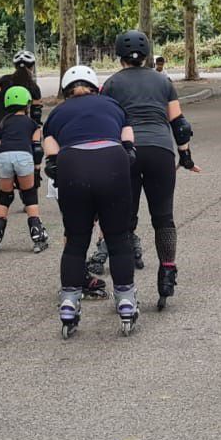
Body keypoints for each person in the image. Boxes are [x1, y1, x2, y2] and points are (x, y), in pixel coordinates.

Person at [101, 30, 201, 310]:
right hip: (160, 151)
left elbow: (107, 122)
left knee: (124, 219)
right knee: (163, 217)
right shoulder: (163, 81)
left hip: (126, 152)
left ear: (118, 55)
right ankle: (167, 271)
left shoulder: (110, 84)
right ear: (147, 55)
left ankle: (126, 285)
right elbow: (179, 123)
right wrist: (186, 156)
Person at [44, 65, 139, 338]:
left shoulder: (58, 112)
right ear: (96, 87)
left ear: (65, 92)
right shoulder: (112, 104)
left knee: (75, 240)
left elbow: (50, 151)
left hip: (72, 164)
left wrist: (56, 164)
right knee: (118, 238)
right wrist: (126, 155)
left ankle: (69, 305)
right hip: (112, 160)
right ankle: (125, 301)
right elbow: (128, 140)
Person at [0, 85, 50, 254]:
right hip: (23, 156)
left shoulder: (3, 122)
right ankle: (37, 235)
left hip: (4, 156)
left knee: (5, 196)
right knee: (29, 195)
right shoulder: (31, 123)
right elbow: (37, 148)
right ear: (26, 104)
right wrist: (36, 169)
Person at [0, 50, 43, 213]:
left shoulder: (3, 81)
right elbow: (37, 112)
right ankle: (27, 197)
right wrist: (34, 128)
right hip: (22, 125)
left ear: (14, 65)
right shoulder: (33, 87)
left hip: (1, 122)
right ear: (32, 67)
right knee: (26, 158)